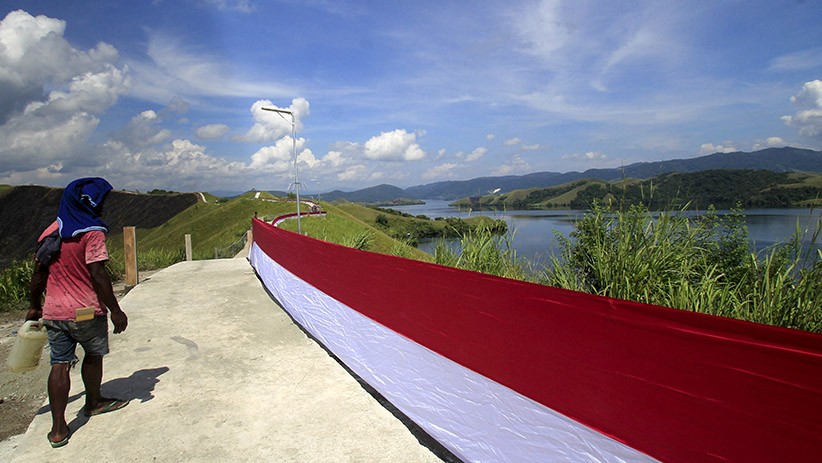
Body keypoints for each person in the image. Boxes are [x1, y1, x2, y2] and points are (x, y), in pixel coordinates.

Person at [27, 177, 129, 448]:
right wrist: (116, 310)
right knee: (93, 356)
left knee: (59, 364)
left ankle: (58, 428)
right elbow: (98, 274)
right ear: (91, 203)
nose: (104, 207)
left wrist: (35, 306)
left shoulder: (52, 231)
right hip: (85, 311)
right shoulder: (91, 233)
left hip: (54, 312)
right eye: (102, 202)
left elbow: (38, 276)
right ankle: (94, 401)